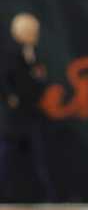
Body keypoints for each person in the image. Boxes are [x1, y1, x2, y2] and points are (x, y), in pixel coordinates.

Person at [0, 13, 53, 202]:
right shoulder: (8, 53)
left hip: (31, 115)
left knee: (37, 163)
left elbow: (40, 80)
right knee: (8, 160)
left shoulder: (32, 53)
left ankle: (40, 198)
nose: (36, 34)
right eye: (32, 31)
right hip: (13, 119)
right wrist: (10, 97)